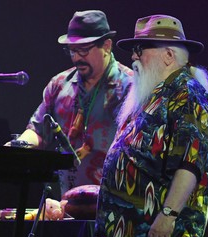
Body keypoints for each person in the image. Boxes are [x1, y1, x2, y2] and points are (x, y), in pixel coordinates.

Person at [95, 14, 208, 237]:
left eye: (140, 49)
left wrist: (168, 215)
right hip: (130, 234)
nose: (133, 56)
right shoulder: (153, 93)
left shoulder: (187, 93)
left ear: (168, 56)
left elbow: (190, 163)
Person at [13, 10, 133, 198]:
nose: (76, 57)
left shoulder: (130, 87)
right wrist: (14, 147)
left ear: (107, 46)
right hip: (68, 202)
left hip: (116, 205)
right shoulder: (59, 84)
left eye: (84, 49)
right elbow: (38, 131)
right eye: (72, 50)